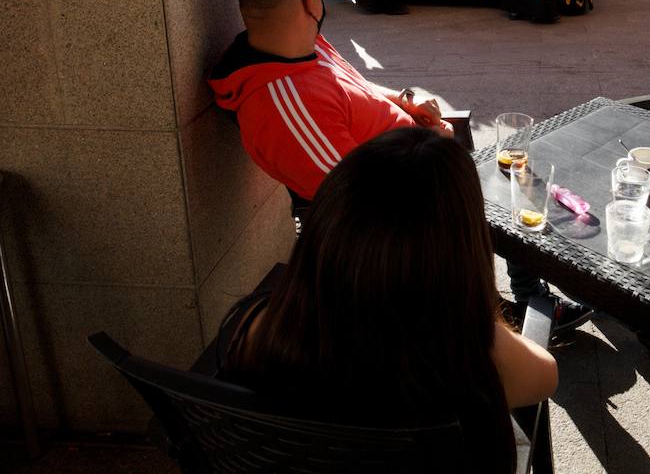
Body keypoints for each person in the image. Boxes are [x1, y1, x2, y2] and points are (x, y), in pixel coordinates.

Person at [218, 128, 557, 474]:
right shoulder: (474, 357)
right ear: (460, 255)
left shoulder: (255, 328)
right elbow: (547, 375)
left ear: (327, 228)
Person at [208, 0, 450, 210]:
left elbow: (352, 88)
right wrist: (435, 153)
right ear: (309, 1)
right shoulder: (283, 106)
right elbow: (367, 197)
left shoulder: (303, 46)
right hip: (414, 204)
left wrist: (404, 99)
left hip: (418, 150)